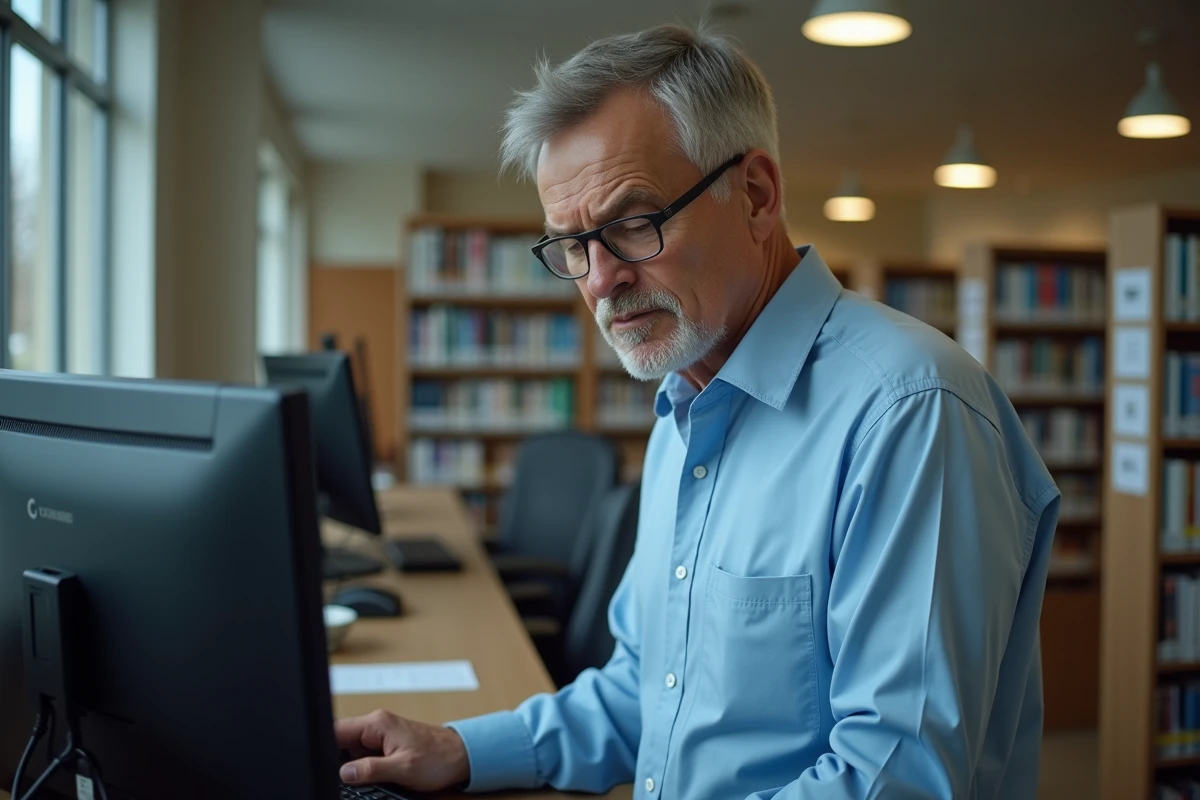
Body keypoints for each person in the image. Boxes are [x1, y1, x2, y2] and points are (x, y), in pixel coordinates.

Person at [335, 23, 1059, 799]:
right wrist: (461, 748)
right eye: (572, 245)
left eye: (632, 223)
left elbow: (894, 776)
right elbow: (648, 690)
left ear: (756, 196)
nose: (599, 281)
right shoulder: (684, 410)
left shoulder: (910, 414)